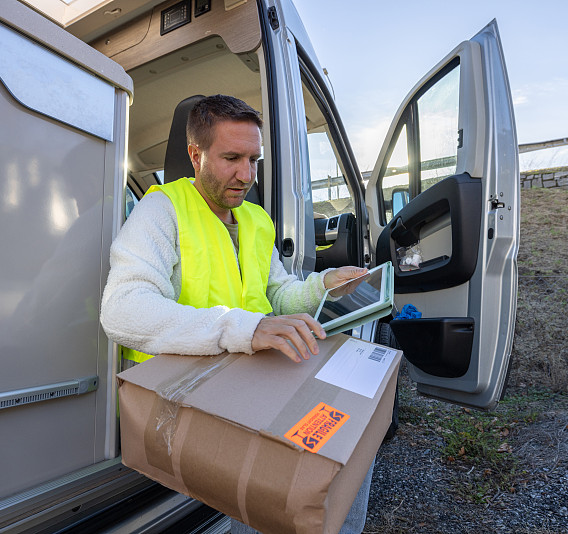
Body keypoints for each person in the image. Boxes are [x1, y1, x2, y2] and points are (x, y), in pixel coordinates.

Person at [100, 94, 371, 533]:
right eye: (231, 158)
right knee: (282, 479)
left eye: (253, 160)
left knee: (349, 442)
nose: (245, 175)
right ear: (195, 154)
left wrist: (323, 284)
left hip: (250, 377)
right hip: (180, 399)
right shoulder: (161, 210)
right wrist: (246, 328)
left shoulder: (257, 220)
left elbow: (277, 295)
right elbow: (122, 311)